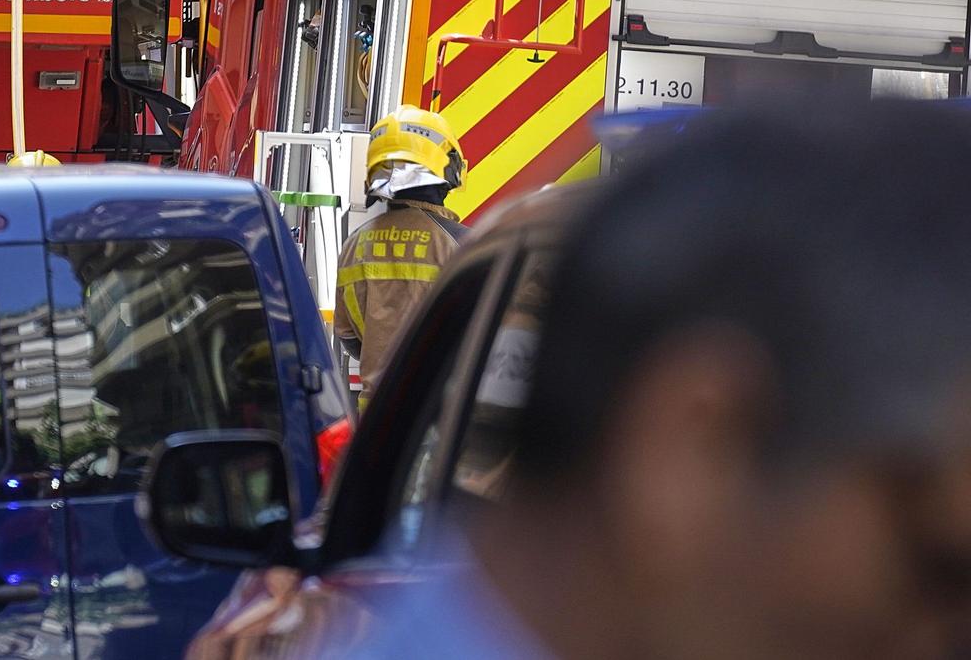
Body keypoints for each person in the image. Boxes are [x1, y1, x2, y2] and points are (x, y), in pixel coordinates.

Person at [341, 102, 971, 660]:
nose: (947, 638)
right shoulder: (451, 239)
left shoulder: (365, 243)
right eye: (943, 574)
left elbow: (353, 328)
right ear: (697, 450)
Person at [332, 105, 468, 397]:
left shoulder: (354, 245)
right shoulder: (462, 245)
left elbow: (349, 338)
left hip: (375, 417)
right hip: (435, 415)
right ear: (447, 169)